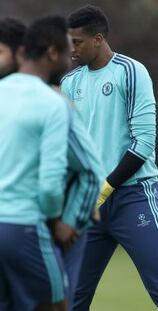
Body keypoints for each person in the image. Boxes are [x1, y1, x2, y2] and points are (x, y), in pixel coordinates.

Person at [0, 17, 102, 311]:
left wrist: (64, 220)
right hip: (4, 224)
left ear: (20, 53)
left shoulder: (54, 102)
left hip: (54, 232)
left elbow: (84, 171)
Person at [61, 5, 158, 309]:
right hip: (89, 206)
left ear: (98, 39)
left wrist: (106, 186)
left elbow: (144, 142)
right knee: (70, 298)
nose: (71, 49)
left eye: (77, 42)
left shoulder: (130, 71)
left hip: (133, 196)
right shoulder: (69, 83)